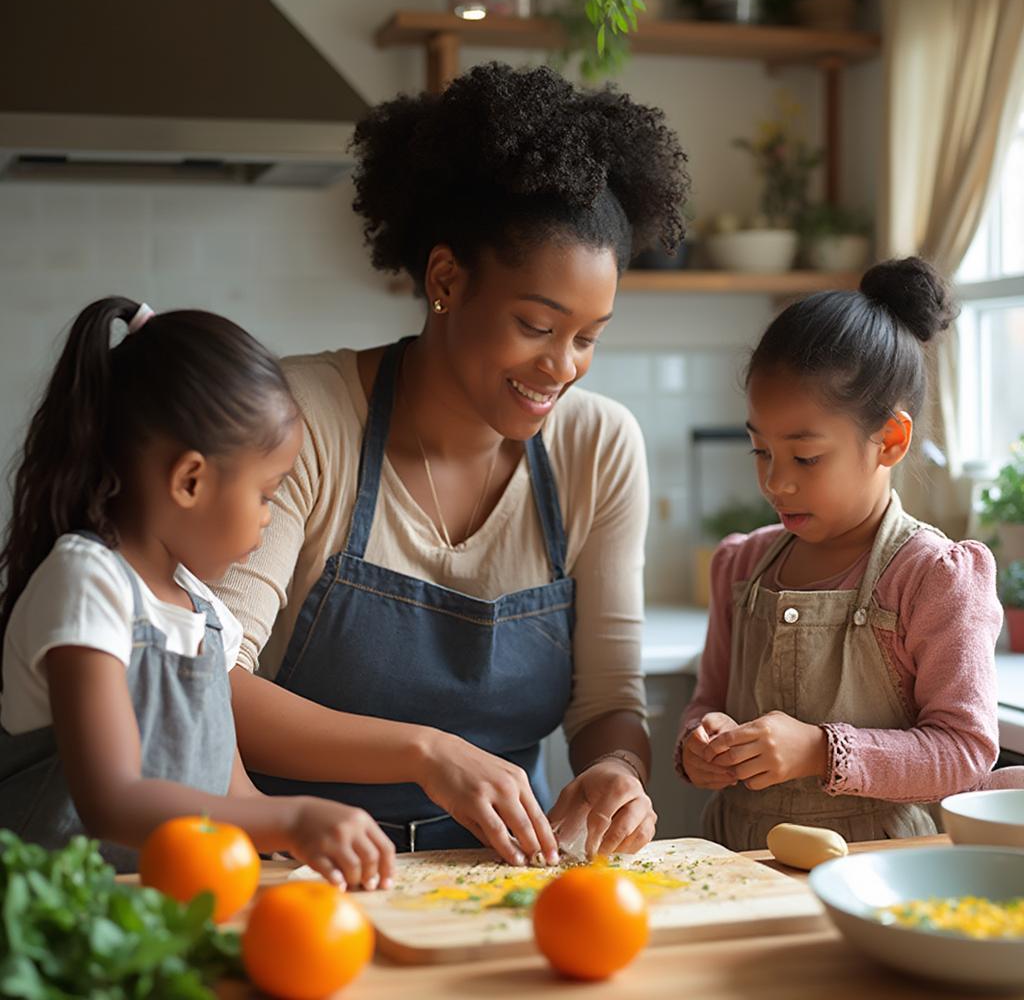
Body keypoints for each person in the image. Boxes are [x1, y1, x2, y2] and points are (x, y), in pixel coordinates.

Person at [213, 62, 690, 863]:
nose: (562, 367)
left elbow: (608, 699)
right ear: (445, 279)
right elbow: (205, 683)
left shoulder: (598, 446)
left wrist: (616, 768)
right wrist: (425, 753)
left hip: (502, 872)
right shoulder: (304, 418)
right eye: (537, 325)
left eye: (588, 337)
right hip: (298, 870)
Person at [0, 297, 396, 887]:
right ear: (190, 480)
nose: (269, 517)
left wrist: (295, 853)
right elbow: (111, 800)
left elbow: (233, 793)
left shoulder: (207, 615)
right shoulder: (88, 585)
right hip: (58, 933)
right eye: (266, 494)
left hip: (160, 918)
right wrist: (294, 817)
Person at [676, 257, 1003, 849]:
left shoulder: (931, 578)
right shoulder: (742, 567)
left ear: (890, 441)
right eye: (760, 451)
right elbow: (706, 702)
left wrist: (819, 749)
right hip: (739, 863)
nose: (776, 483)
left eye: (804, 458)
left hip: (881, 872)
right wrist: (702, 745)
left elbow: (964, 752)